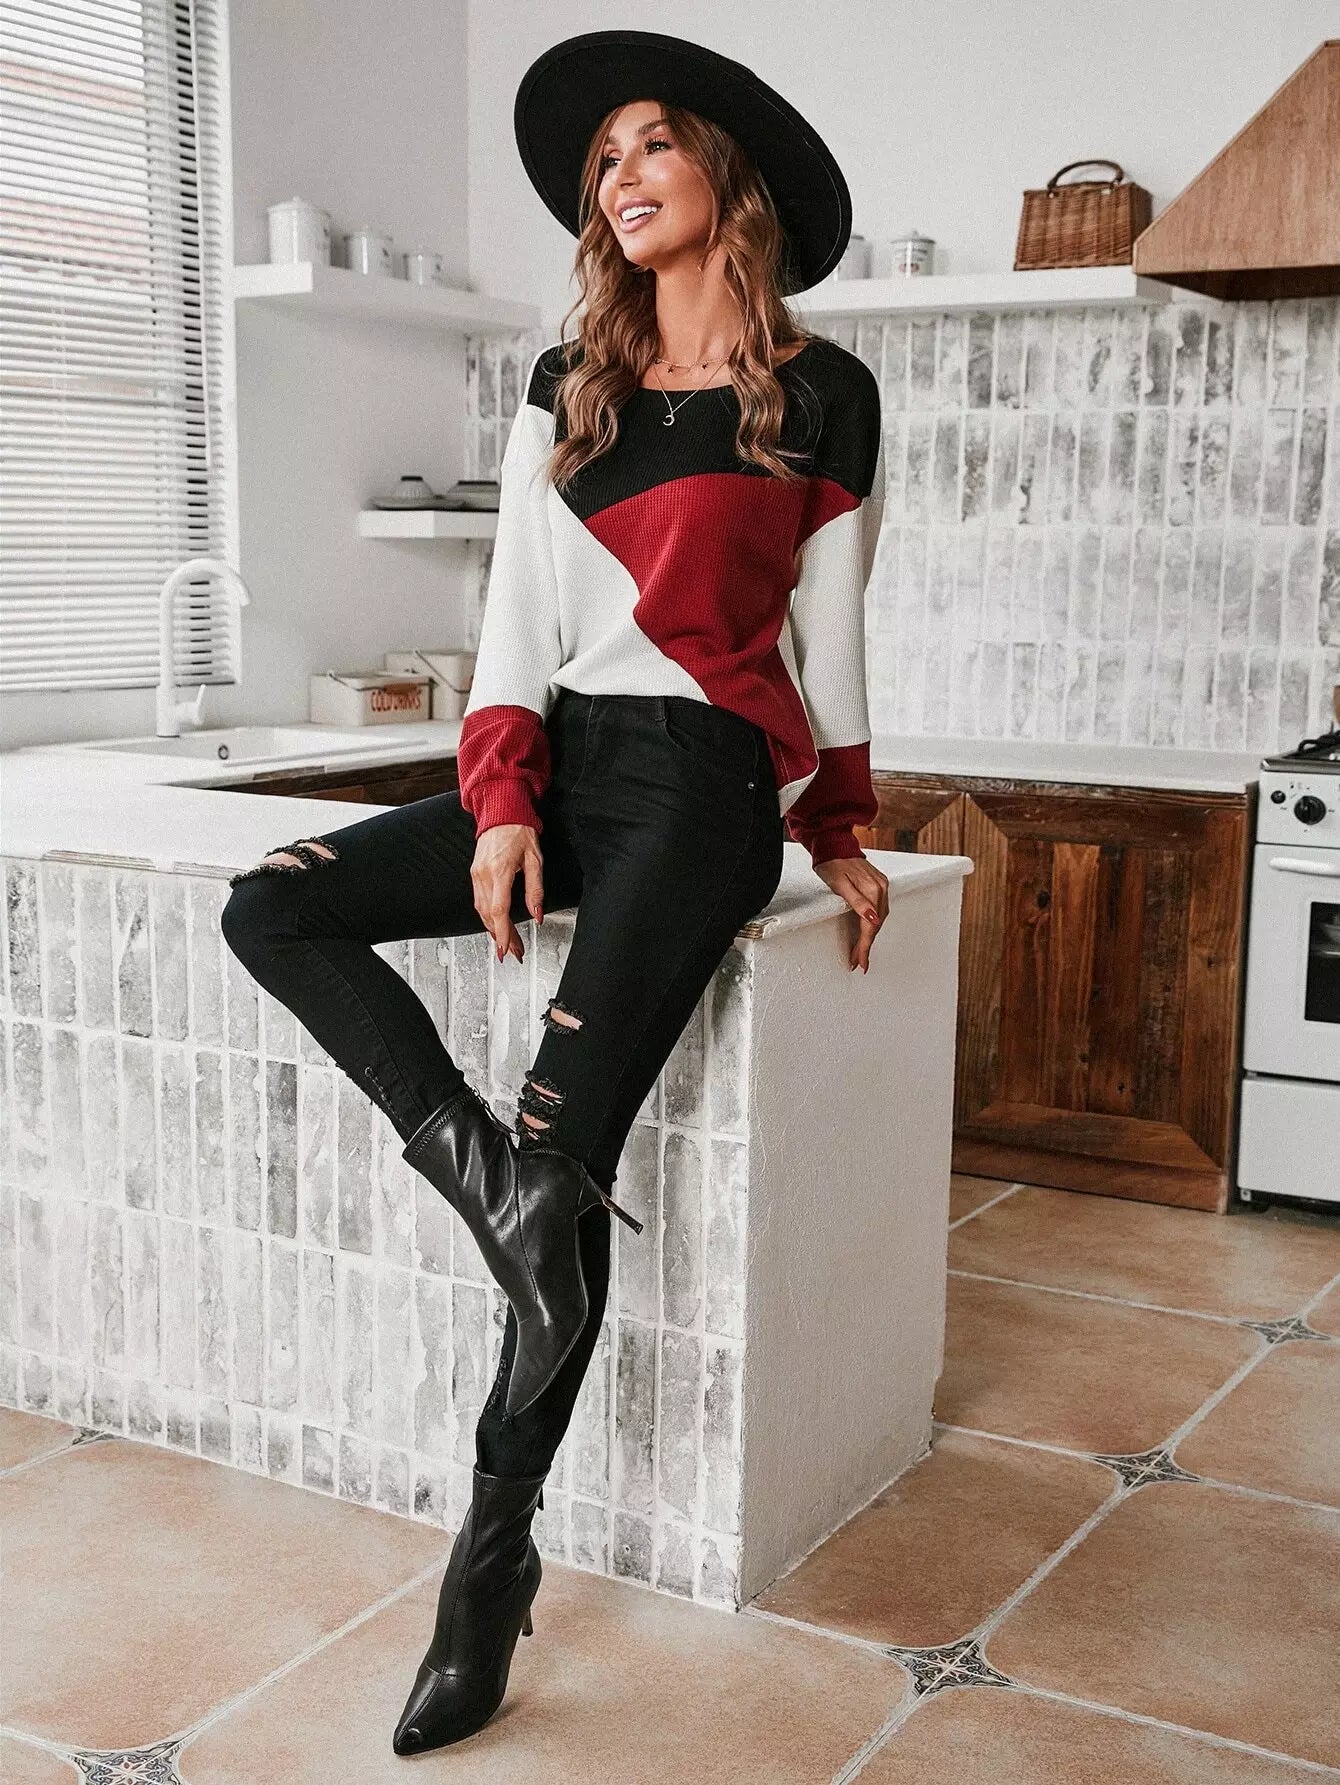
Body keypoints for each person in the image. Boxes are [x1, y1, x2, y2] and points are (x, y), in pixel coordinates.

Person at [219, 27, 889, 1757]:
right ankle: (497, 1183)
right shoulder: (567, 379)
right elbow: (517, 606)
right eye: (606, 158)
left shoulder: (825, 392)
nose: (623, 174)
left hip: (711, 787)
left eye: (654, 142)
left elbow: (832, 637)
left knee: (567, 1155)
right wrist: (501, 795)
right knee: (272, 903)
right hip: (570, 761)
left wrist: (840, 826)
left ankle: (486, 1569)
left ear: (724, 174)